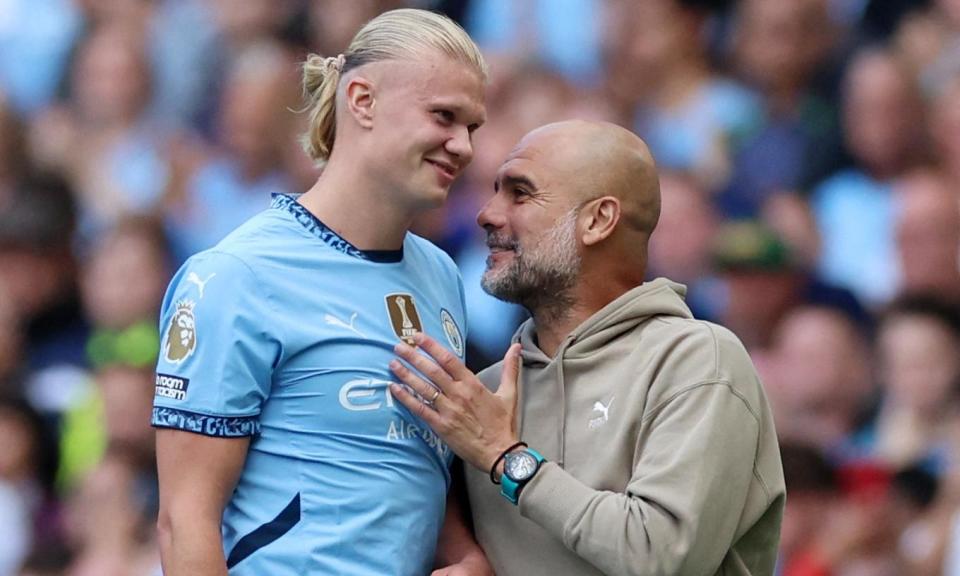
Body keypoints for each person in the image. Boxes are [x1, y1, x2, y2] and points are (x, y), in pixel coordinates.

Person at [152, 9, 489, 575]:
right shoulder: (238, 276)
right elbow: (184, 521)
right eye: (444, 117)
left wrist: (463, 555)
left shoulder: (441, 274)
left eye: (472, 127)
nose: (463, 146)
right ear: (362, 100)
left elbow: (415, 462)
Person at [389, 120, 785, 575]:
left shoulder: (699, 360)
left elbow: (658, 558)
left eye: (520, 193)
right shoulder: (482, 396)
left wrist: (507, 457)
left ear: (598, 221)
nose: (487, 213)